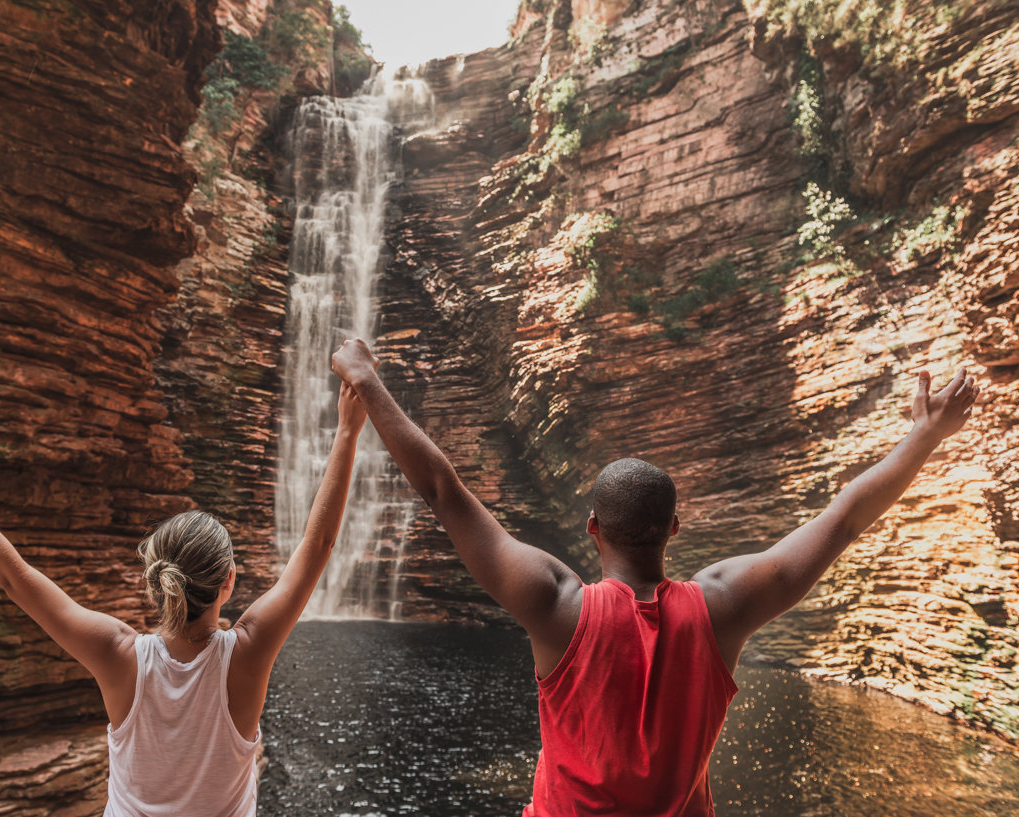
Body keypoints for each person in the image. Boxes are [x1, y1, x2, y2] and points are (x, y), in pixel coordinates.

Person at [330, 337, 981, 816]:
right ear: (675, 527)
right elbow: (841, 521)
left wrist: (366, 377)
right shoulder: (722, 605)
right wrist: (924, 437)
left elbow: (444, 491)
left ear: (592, 527)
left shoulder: (559, 605)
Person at [0, 382, 370, 817]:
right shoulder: (247, 653)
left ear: (154, 578)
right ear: (229, 582)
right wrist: (347, 430)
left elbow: (13, 576)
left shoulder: (120, 655)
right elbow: (318, 545)